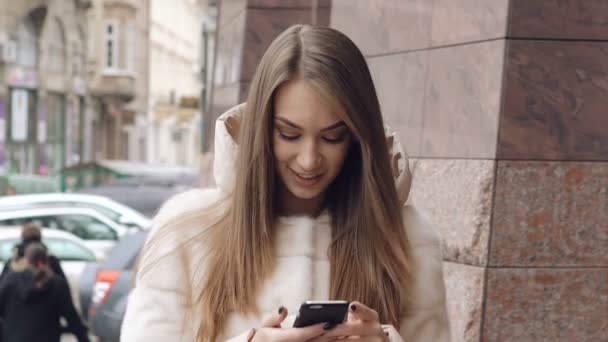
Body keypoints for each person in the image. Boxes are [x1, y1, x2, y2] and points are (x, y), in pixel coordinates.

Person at [122, 24, 450, 342]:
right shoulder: (186, 232)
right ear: (262, 129)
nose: (309, 159)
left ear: (355, 138)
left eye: (332, 137)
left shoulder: (405, 239)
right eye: (288, 134)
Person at [0, 242, 90, 342]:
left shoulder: (10, 281)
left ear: (26, 260)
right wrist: (83, 338)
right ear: (46, 260)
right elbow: (72, 317)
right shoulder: (57, 284)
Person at [0, 222, 67, 284]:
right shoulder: (51, 261)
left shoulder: (14, 262)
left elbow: (2, 285)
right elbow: (63, 284)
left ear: (22, 236)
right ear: (40, 236)